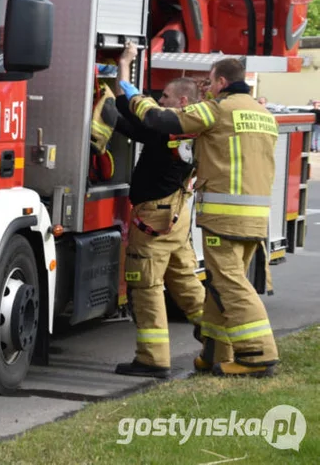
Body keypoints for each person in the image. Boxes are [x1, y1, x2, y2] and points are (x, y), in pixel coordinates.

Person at [119, 53, 280, 377]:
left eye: (212, 80)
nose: (209, 87)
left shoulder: (217, 111)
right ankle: (214, 352)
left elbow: (160, 120)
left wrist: (130, 92)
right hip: (254, 215)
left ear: (221, 81)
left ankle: (258, 353)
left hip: (223, 216)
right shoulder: (263, 113)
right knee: (217, 285)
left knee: (230, 284)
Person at [112, 45, 207, 379]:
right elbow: (134, 122)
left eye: (166, 96)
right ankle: (216, 340)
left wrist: (122, 67)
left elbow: (131, 112)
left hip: (154, 219)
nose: (160, 100)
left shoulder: (167, 127)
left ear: (182, 102)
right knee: (186, 282)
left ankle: (152, 359)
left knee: (146, 285)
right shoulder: (193, 130)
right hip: (176, 220)